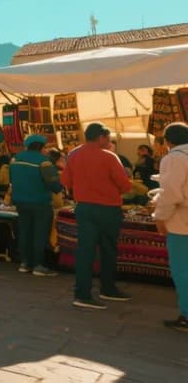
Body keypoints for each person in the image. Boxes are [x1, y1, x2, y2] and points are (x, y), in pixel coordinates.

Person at [62, 123, 133, 309]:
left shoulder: (73, 154)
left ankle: (82, 293)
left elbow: (66, 181)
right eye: (107, 138)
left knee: (85, 251)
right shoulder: (109, 156)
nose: (109, 142)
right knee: (108, 250)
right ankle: (107, 288)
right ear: (101, 137)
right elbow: (125, 186)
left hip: (84, 207)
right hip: (108, 208)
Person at [7, 135, 61, 277]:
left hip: (21, 203)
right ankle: (38, 265)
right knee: (40, 235)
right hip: (40, 203)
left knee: (25, 233)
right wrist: (58, 188)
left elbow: (11, 179)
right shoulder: (44, 162)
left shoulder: (15, 159)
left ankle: (25, 263)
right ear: (40, 147)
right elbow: (53, 184)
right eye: (45, 147)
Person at [154, 122, 188, 332]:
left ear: (167, 141)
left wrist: (159, 217)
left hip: (182, 223)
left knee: (183, 271)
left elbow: (171, 194)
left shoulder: (174, 158)